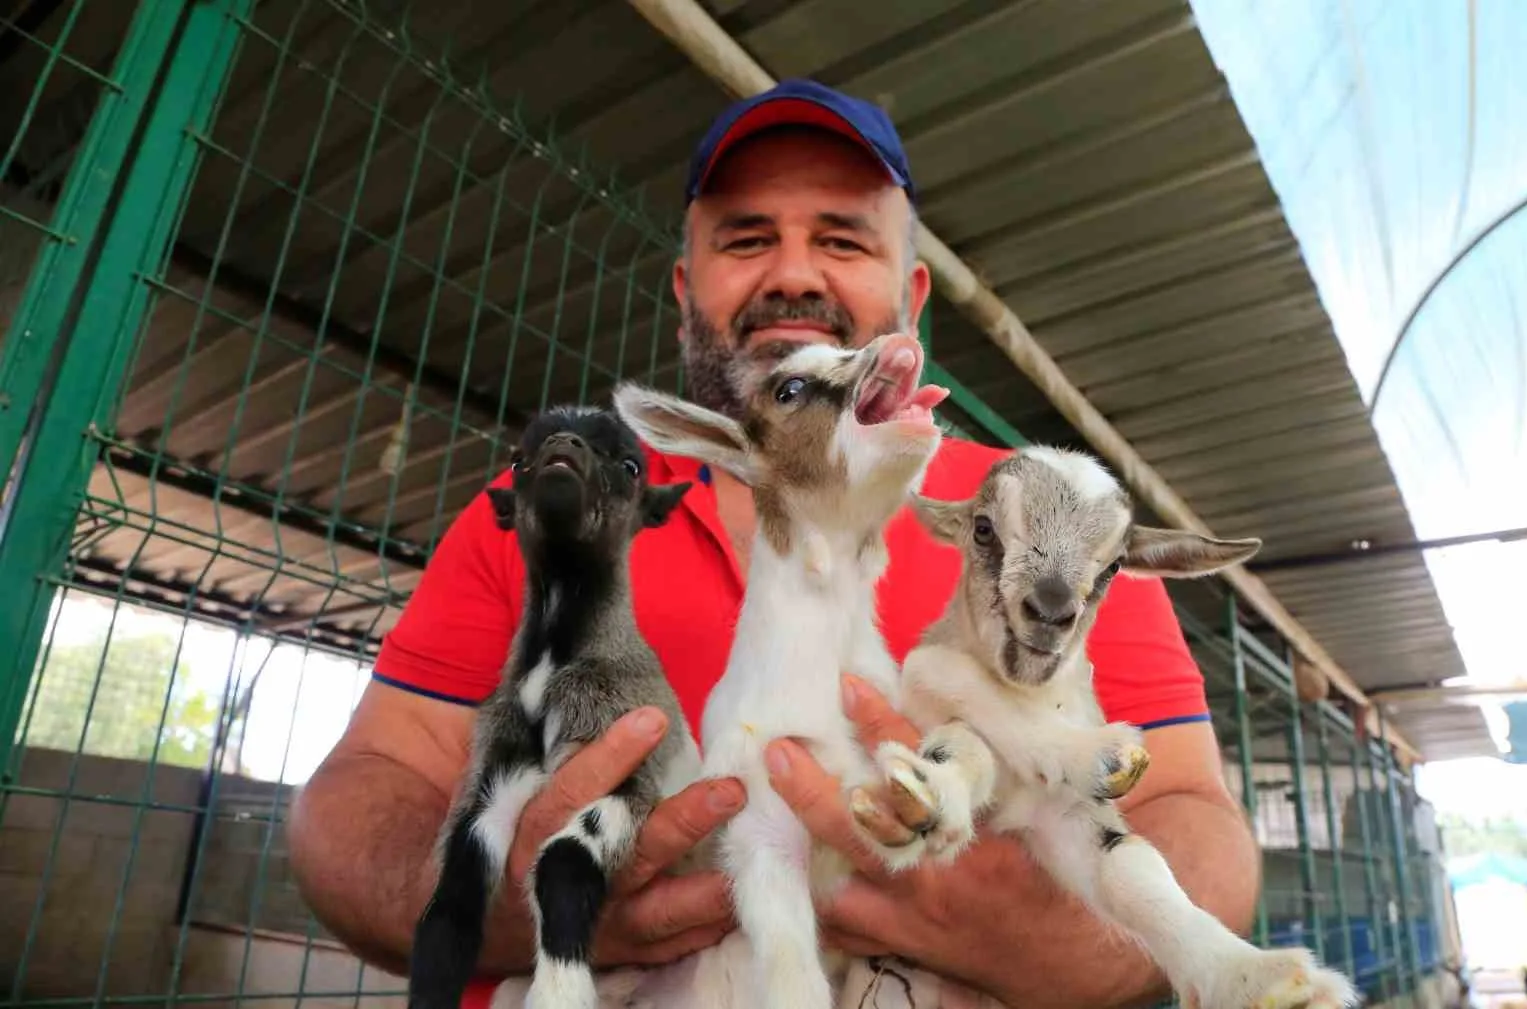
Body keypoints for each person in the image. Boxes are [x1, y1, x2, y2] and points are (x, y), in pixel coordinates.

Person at [286, 79, 1261, 1009]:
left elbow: (1195, 819)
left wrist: (1058, 939)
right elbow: (357, 799)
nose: (794, 271)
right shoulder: (550, 506)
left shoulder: (1042, 517)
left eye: (841, 238)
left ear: (910, 291)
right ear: (685, 285)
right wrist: (485, 891)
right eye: (747, 238)